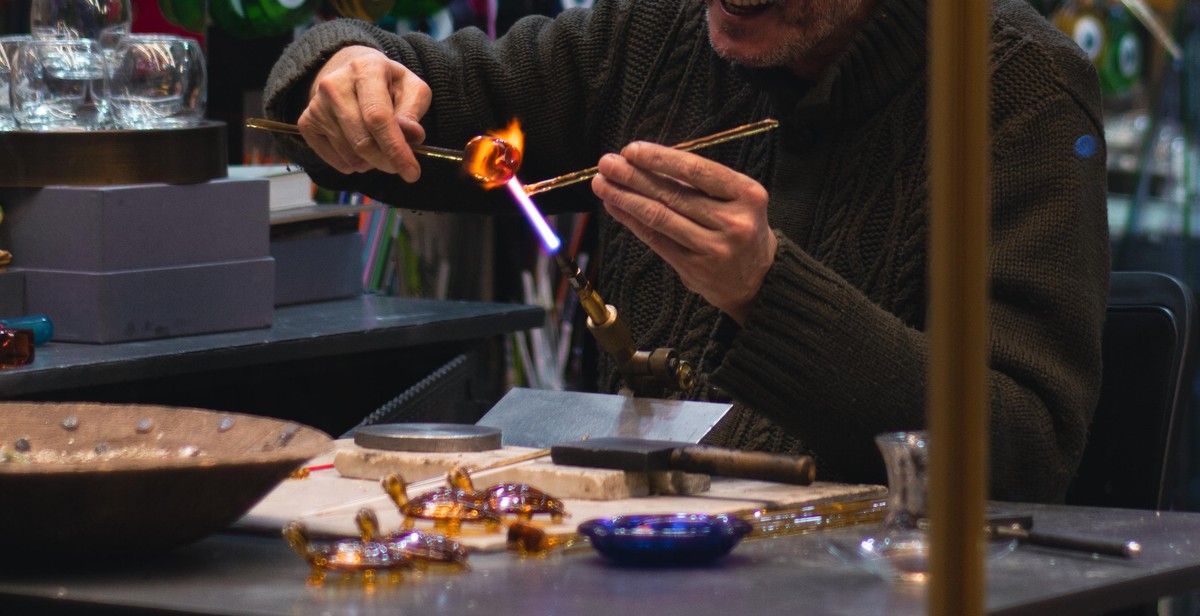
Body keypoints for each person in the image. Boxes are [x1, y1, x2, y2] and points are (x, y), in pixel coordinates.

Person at [263, 0, 1110, 503]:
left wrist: (767, 293)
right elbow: (445, 101)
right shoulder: (660, 30)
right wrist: (344, 73)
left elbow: (1022, 449)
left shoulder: (1019, 91)